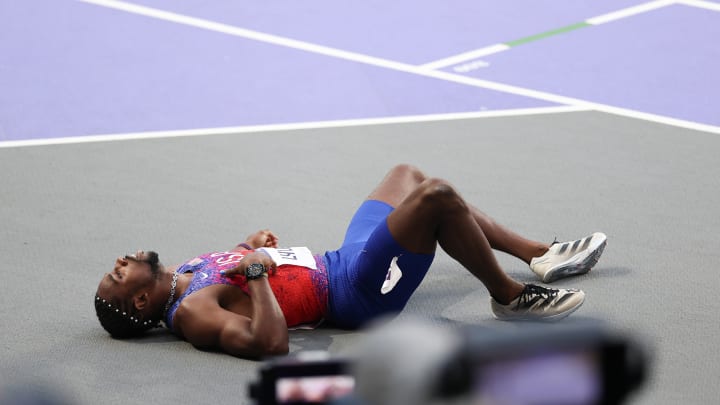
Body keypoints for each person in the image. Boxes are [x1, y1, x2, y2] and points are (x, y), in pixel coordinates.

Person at [94, 164, 607, 359]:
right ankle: (510, 296)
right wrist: (258, 274)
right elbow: (268, 342)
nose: (122, 259)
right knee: (436, 198)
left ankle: (538, 255)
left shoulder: (186, 275)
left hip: (339, 259)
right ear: (141, 298)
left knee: (405, 174)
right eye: (120, 272)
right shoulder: (191, 315)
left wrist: (250, 245)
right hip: (354, 292)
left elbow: (238, 272)